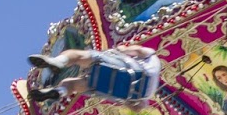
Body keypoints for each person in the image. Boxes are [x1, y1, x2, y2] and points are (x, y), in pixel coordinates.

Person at [28, 43, 161, 105]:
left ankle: (58, 61)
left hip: (126, 70)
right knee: (73, 85)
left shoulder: (152, 56)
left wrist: (123, 49)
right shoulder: (148, 93)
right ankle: (59, 92)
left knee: (78, 56)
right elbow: (138, 108)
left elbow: (137, 49)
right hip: (124, 92)